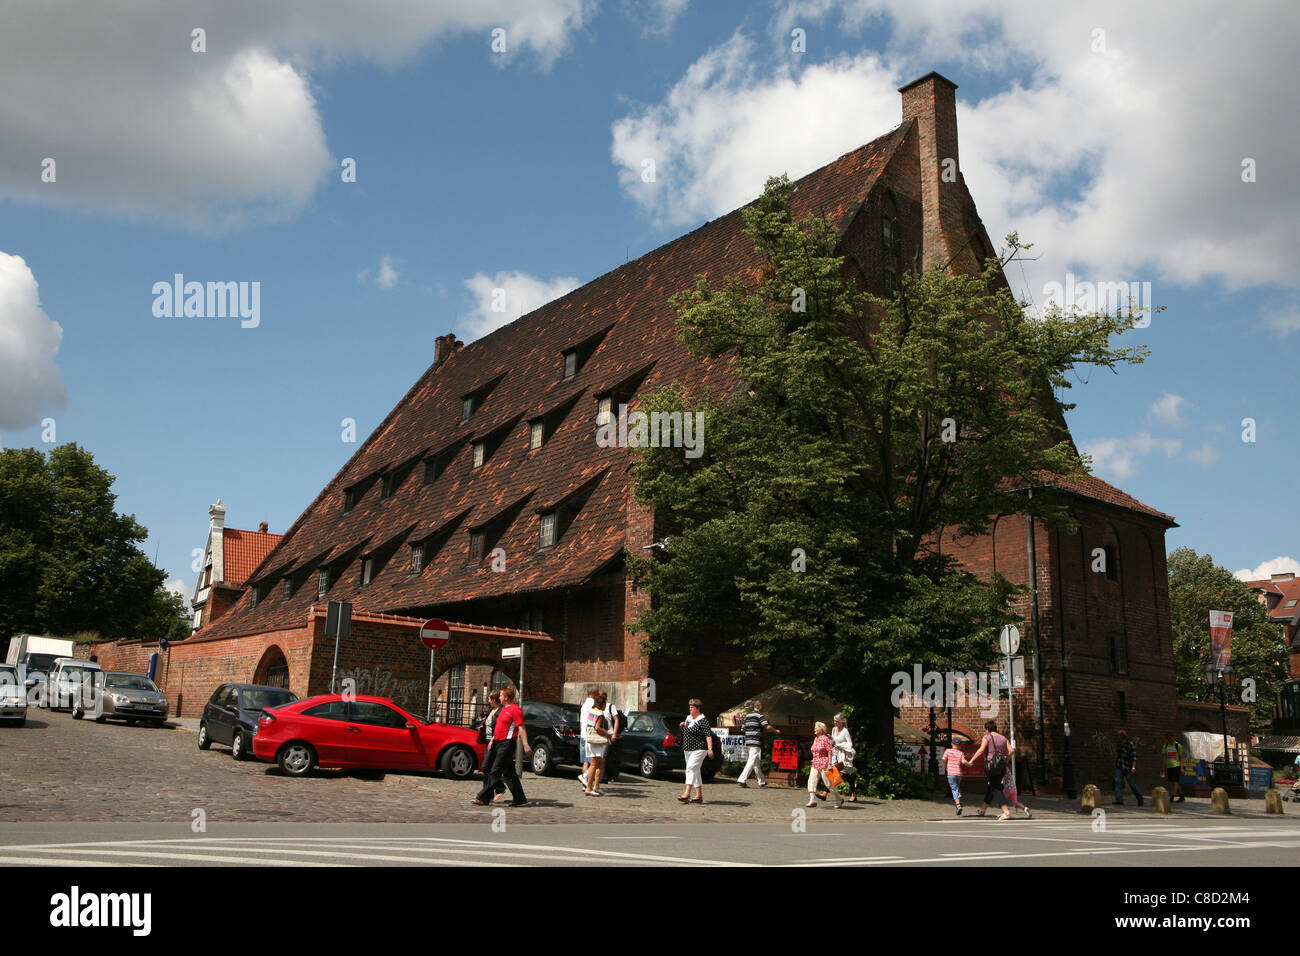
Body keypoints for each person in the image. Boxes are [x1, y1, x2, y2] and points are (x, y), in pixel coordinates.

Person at [473, 685, 531, 807]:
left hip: (507, 744)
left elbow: (521, 727)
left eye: (500, 695)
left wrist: (525, 744)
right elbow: (499, 728)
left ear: (506, 697)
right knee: (509, 774)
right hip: (498, 743)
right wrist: (492, 740)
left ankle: (483, 797)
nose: (499, 697)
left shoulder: (515, 709)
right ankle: (520, 798)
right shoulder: (503, 709)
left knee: (495, 771)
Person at [966, 719, 1012, 820]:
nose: (985, 732)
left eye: (985, 730)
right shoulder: (1003, 738)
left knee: (996, 788)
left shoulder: (987, 737)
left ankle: (1006, 811)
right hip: (1001, 767)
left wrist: (971, 761)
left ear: (987, 729)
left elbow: (981, 749)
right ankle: (983, 810)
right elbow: (1011, 751)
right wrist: (1006, 761)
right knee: (992, 787)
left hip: (991, 766)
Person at [678, 699, 714, 804]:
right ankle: (699, 796)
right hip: (687, 749)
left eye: (692, 707)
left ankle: (687, 793)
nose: (690, 709)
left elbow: (708, 735)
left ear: (698, 708)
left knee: (690, 769)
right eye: (689, 707)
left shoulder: (703, 721)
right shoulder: (688, 718)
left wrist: (710, 749)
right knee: (695, 771)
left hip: (699, 749)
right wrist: (682, 725)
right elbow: (686, 731)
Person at [737, 700, 778, 788]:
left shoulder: (747, 716)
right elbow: (767, 726)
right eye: (762, 707)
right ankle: (742, 779)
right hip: (755, 741)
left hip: (748, 741)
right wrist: (776, 730)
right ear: (759, 707)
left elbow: (742, 729)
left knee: (756, 763)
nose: (763, 708)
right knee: (752, 761)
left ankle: (761, 781)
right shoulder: (759, 715)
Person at [806, 721, 843, 808]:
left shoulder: (825, 738)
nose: (814, 730)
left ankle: (839, 799)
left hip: (824, 763)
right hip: (815, 763)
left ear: (821, 729)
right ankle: (812, 800)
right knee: (811, 781)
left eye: (816, 728)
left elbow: (830, 751)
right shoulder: (816, 739)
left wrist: (829, 764)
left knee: (828, 784)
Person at [584, 690, 613, 796]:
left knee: (600, 763)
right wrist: (608, 735)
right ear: (603, 704)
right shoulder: (600, 714)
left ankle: (596, 786)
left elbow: (588, 726)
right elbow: (597, 728)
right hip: (596, 742)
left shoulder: (591, 711)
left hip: (590, 740)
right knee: (594, 764)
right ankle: (589, 787)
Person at [477, 690, 505, 800]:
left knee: (486, 767)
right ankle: (487, 793)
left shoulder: (501, 711)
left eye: (489, 699)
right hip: (488, 740)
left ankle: (500, 787)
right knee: (488, 768)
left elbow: (499, 727)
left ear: (494, 700)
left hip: (495, 741)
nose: (488, 701)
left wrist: (493, 739)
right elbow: (487, 723)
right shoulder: (491, 710)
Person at [831, 713, 858, 803]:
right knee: (836, 772)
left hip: (843, 755)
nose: (835, 723)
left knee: (844, 774)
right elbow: (833, 741)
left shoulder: (845, 731)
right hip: (835, 754)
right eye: (835, 721)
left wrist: (841, 746)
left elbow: (850, 744)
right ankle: (826, 792)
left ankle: (825, 792)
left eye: (837, 721)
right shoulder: (834, 729)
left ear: (841, 722)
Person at [1114, 729, 1143, 806]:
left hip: (1128, 767)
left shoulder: (1130, 744)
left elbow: (1134, 757)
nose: (1117, 737)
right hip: (1120, 766)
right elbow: (1118, 754)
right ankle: (1119, 799)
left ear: (1122, 736)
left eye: (1119, 735)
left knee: (1132, 784)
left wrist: (1133, 767)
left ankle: (1140, 798)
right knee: (1118, 782)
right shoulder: (1119, 744)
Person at [578, 685, 596, 789]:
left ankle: (585, 785)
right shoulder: (593, 704)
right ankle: (587, 781)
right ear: (593, 693)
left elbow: (581, 723)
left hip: (583, 735)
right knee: (593, 762)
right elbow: (593, 721)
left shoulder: (583, 705)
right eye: (597, 693)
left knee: (585, 762)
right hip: (590, 736)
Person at [943, 738, 966, 815]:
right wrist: (969, 764)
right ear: (960, 745)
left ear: (952, 744)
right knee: (957, 788)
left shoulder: (948, 751)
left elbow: (944, 759)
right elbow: (963, 762)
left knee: (954, 789)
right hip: (959, 773)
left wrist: (946, 765)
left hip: (951, 773)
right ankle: (959, 802)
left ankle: (958, 805)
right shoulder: (961, 753)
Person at [1162, 731, 1186, 803]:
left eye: (1170, 738)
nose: (1170, 740)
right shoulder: (1165, 746)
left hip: (1176, 765)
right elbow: (1164, 757)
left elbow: (1181, 757)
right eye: (1168, 739)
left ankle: (1172, 797)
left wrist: (1181, 767)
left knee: (1176, 781)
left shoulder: (1178, 746)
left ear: (1173, 737)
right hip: (1169, 766)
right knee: (1173, 781)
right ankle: (1181, 795)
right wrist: (1164, 767)